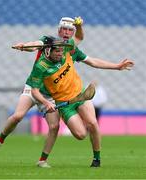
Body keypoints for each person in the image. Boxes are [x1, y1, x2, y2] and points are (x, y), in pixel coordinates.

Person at [0, 17, 84, 168]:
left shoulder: (67, 47)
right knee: (18, 116)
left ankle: (42, 160)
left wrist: (79, 27)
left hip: (49, 94)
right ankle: (0, 140)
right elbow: (35, 45)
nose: (66, 32)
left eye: (70, 29)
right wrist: (24, 46)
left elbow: (79, 38)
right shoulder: (47, 41)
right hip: (33, 88)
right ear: (59, 30)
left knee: (54, 126)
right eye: (64, 29)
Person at [26, 36, 134, 167]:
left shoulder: (68, 50)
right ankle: (42, 160)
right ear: (48, 50)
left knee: (93, 123)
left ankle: (97, 159)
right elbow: (35, 91)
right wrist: (47, 102)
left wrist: (117, 66)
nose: (60, 54)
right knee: (81, 135)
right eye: (57, 52)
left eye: (61, 51)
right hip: (65, 104)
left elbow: (81, 40)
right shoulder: (40, 66)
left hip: (81, 95)